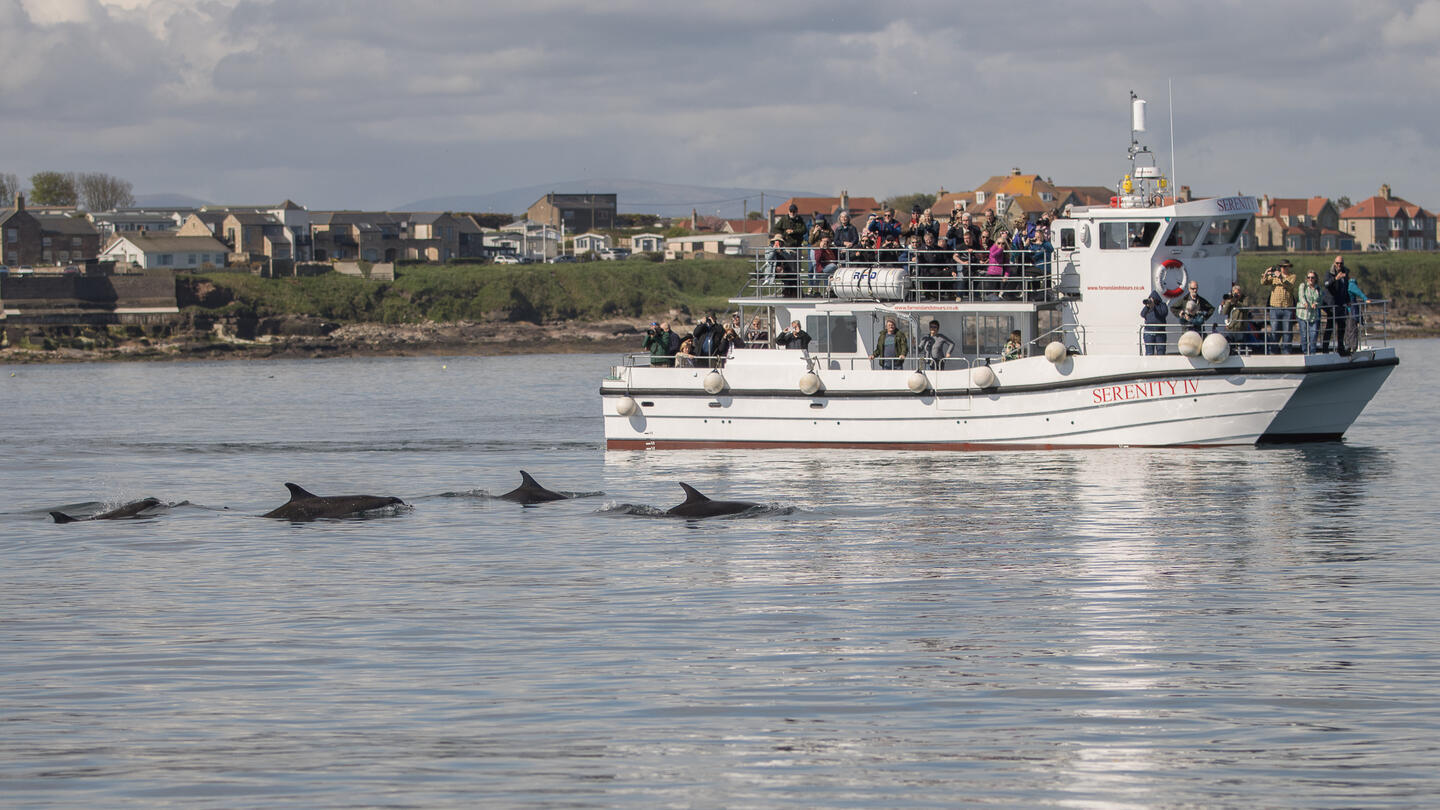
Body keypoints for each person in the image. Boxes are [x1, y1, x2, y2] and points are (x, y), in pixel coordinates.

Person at [1261, 260, 1296, 353]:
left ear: (1289, 267)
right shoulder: (1274, 277)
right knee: (1274, 331)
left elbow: (1290, 286)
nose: (1284, 268)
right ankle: (1273, 351)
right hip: (1274, 308)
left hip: (1287, 308)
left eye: (1286, 267)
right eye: (1282, 266)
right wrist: (1266, 272)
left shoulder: (1292, 277)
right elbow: (1263, 282)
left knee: (1287, 331)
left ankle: (1286, 352)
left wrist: (1280, 277)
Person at [1325, 260, 1353, 356]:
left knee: (1342, 327)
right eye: (1337, 263)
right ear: (1334, 263)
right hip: (1332, 305)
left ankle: (1341, 348)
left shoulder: (1345, 273)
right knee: (1330, 327)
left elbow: (1345, 288)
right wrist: (1335, 279)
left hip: (1341, 305)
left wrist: (1348, 301)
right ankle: (1325, 348)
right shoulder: (1329, 273)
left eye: (1341, 263)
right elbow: (1326, 285)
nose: (1339, 265)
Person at [1220, 284, 1255, 351]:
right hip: (1231, 328)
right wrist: (1228, 302)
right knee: (1229, 347)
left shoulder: (1245, 298)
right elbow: (1224, 312)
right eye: (1235, 293)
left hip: (1241, 327)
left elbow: (1245, 308)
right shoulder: (1231, 300)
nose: (1237, 295)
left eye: (1238, 293)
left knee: (1240, 347)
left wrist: (1236, 302)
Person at [1296, 270, 1322, 354]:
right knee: (1304, 334)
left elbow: (1320, 300)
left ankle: (1312, 352)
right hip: (1303, 314)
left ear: (1315, 279)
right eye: (1309, 277)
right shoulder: (1303, 286)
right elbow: (1301, 296)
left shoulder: (1318, 288)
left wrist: (1316, 303)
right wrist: (1305, 303)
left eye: (1312, 277)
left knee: (1313, 335)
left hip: (1313, 316)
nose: (1310, 279)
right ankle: (1305, 351)